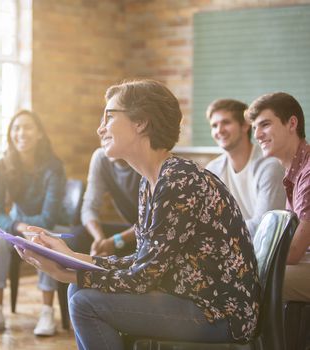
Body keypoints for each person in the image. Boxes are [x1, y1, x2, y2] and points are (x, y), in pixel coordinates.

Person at [16, 80, 261, 349]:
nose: (100, 128)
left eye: (109, 117)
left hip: (220, 313)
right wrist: (71, 258)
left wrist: (68, 273)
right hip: (190, 298)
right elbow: (143, 261)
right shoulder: (152, 181)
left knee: (84, 301)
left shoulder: (179, 181)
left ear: (141, 122)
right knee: (80, 291)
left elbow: (144, 277)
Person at [0, 109, 67, 336]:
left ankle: (47, 311)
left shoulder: (54, 167)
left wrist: (27, 228)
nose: (21, 133)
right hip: (16, 225)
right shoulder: (1, 166)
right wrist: (18, 227)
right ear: (10, 134)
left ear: (39, 134)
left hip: (47, 226)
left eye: (27, 127)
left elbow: (48, 218)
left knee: (44, 240)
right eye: (16, 128)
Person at [247, 92, 310, 302]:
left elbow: (293, 251)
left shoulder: (308, 171)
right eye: (255, 127)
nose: (257, 134)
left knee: (253, 280)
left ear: (292, 123)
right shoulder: (293, 170)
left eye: (264, 124)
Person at [206, 98, 286, 237]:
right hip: (229, 250)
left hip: (265, 254)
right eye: (214, 125)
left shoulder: (270, 166)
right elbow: (208, 219)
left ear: (245, 125)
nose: (219, 130)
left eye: (226, 122)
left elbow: (265, 226)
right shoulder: (213, 170)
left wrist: (216, 232)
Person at [68, 147, 140, 256]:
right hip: (132, 230)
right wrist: (99, 239)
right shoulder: (101, 157)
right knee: (77, 236)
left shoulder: (145, 160)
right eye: (104, 138)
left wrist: (115, 241)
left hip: (152, 233)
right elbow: (89, 208)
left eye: (110, 136)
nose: (102, 131)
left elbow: (152, 222)